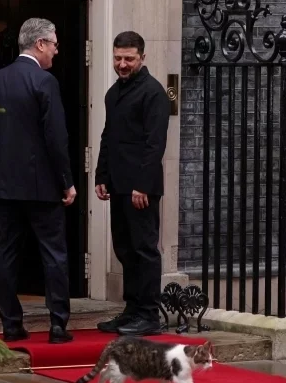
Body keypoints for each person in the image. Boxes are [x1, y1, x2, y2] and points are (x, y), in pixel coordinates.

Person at [0, 18, 76, 344]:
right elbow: (56, 137)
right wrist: (67, 181)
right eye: (54, 45)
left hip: (5, 184)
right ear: (40, 44)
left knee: (7, 253)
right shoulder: (45, 81)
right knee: (54, 254)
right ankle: (58, 325)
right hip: (41, 186)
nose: (56, 51)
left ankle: (10, 324)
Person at [94, 31, 170, 336]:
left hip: (141, 189)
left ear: (142, 57)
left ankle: (149, 315)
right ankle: (132, 310)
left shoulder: (153, 93)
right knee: (125, 249)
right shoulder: (113, 93)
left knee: (144, 249)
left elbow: (155, 144)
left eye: (129, 59)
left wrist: (143, 185)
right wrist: (101, 175)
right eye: (118, 58)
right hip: (119, 185)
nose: (122, 64)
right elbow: (108, 137)